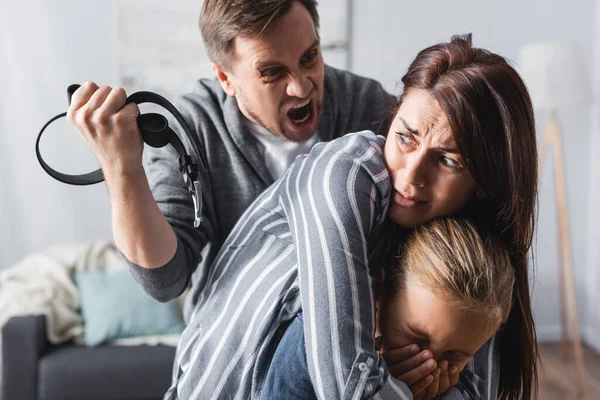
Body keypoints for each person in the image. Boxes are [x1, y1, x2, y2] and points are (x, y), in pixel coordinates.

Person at [163, 34, 539, 399]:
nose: (410, 177)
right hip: (222, 390)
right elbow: (348, 386)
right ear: (392, 120)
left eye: (447, 160)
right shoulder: (342, 176)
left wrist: (429, 377)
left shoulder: (474, 246)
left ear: (485, 183)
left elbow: (476, 390)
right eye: (405, 138)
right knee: (316, 329)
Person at [66, 0, 395, 318]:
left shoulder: (367, 105)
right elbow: (165, 280)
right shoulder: (193, 129)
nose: (300, 87)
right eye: (272, 72)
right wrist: (120, 167)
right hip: (235, 348)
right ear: (226, 79)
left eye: (309, 57)